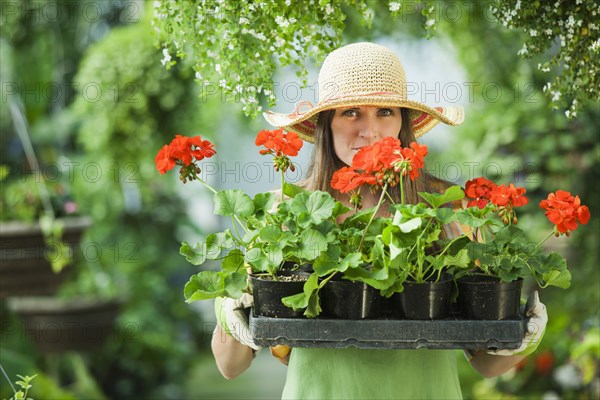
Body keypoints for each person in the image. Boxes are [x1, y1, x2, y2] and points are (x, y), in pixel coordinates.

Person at [211, 42, 548, 399]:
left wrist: (523, 336)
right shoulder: (287, 211)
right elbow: (229, 367)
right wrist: (232, 310)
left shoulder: (450, 209)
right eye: (350, 112)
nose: (369, 130)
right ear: (326, 124)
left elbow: (485, 362)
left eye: (385, 111)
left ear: (403, 123)